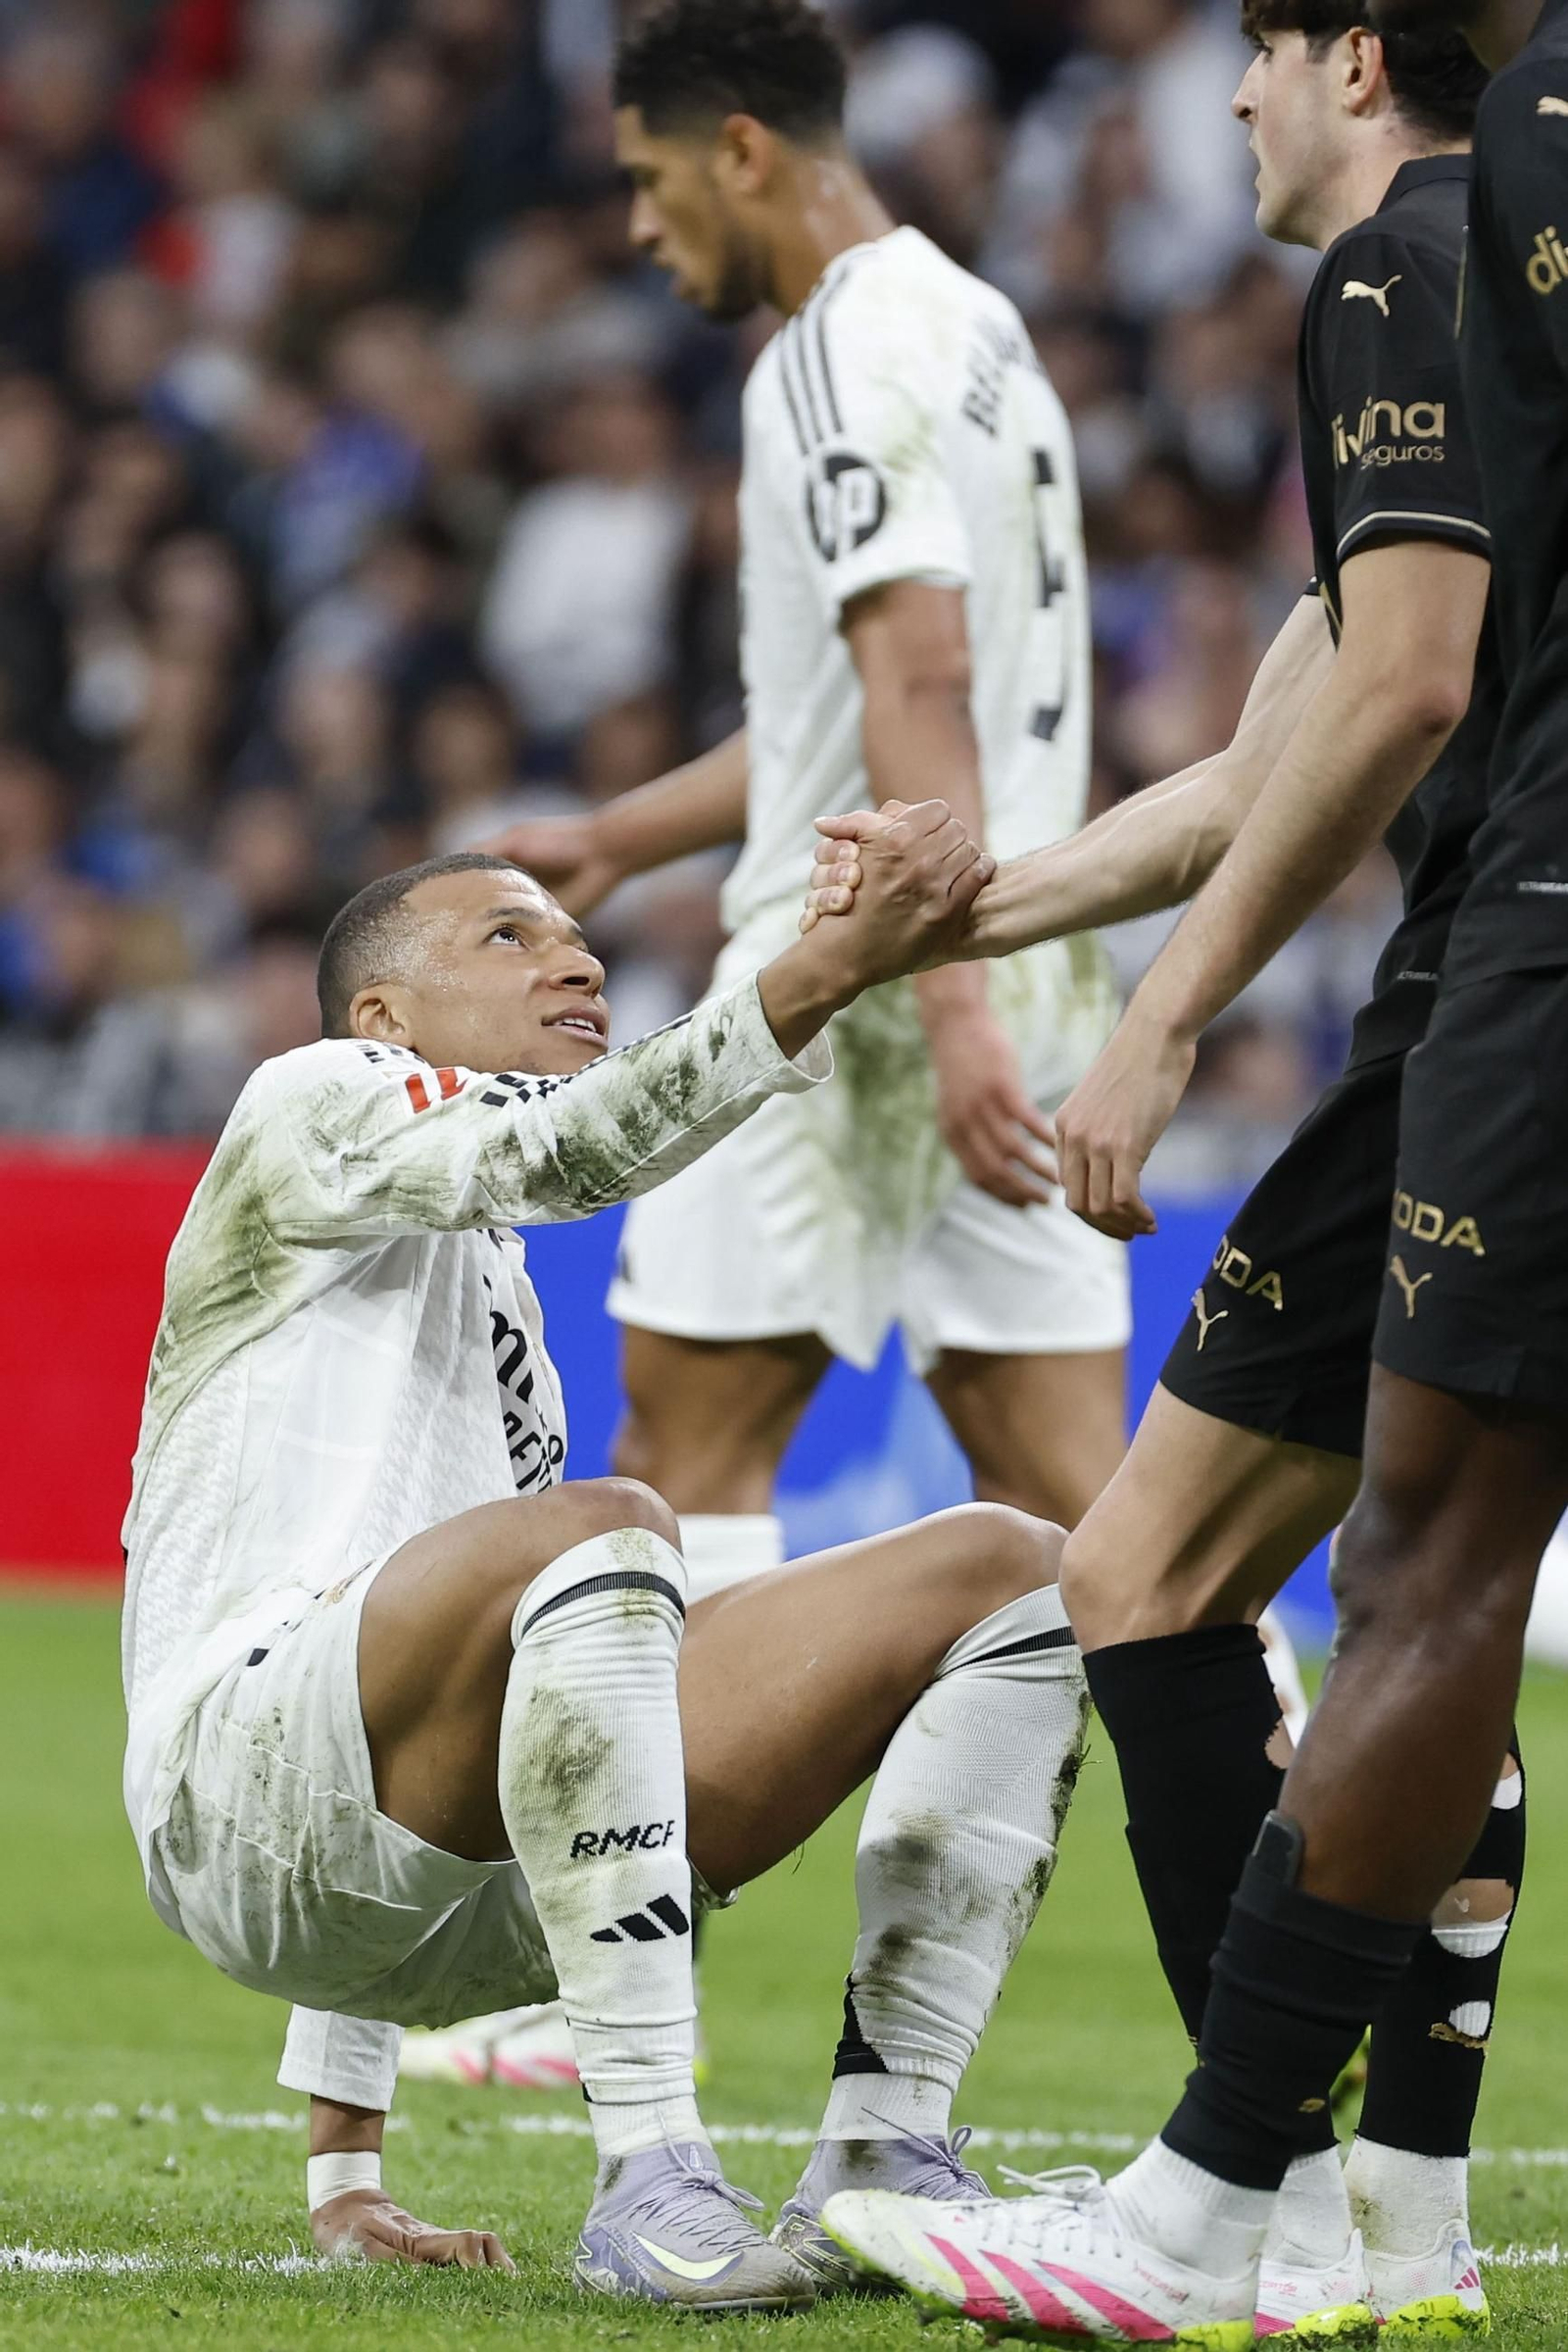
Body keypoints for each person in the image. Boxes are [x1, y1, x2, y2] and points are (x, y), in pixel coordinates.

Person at [805, 9, 1535, 2341]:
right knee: (1226, 1570)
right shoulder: (1488, 280)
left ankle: (1239, 2204)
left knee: (1360, 1569)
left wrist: (1158, 1012)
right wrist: (957, 911)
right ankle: (1384, 2210)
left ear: (1346, 56)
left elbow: (1403, 690)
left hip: (1497, 977)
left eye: (1251, 50)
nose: (1222, 102)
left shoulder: (1395, 272)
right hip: (1455, 986)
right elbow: (1269, 758)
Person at [121, 821, 1093, 2312]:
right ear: (383, 1017)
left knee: (1016, 1568)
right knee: (606, 1526)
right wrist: (827, 964)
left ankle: (886, 2149)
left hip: (452, 1885)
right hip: (226, 1791)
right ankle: (651, 2179)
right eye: (506, 937)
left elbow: (430, 1695)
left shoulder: (492, 1294)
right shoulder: (310, 1097)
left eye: (573, 936)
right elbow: (567, 1148)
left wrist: (347, 2173)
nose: (573, 954)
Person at [494, 0, 1132, 1601]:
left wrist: (949, 1002)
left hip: (851, 980)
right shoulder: (979, 327)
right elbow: (861, 714)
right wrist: (618, 838)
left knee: (681, 1459)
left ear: (743, 150)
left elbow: (918, 678)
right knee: (1088, 1506)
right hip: (1031, 957)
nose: (641, 227)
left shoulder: (833, 350)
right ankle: (1285, 1831)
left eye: (651, 180)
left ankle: (660, 1853)